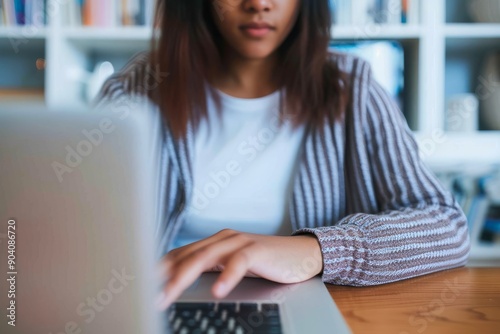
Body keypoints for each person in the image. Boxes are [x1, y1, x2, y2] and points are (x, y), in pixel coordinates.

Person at [96, 0, 470, 309]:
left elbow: (447, 227)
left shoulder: (352, 89)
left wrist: (317, 251)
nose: (259, 4)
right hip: (159, 306)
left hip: (309, 309)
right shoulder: (134, 92)